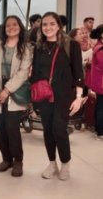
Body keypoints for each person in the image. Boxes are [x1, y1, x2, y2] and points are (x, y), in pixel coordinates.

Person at [30, 12, 84, 181]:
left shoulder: (71, 45)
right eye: (45, 24)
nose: (48, 27)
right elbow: (35, 75)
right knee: (47, 131)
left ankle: (65, 163)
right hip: (44, 95)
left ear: (59, 25)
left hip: (63, 96)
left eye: (52, 24)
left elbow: (78, 72)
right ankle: (52, 163)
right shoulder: (40, 47)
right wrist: (33, 101)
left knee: (59, 130)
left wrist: (78, 98)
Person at [0, 15, 32, 177]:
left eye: (14, 24)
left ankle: (18, 161)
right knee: (1, 128)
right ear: (3, 29)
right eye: (7, 26)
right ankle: (6, 159)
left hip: (14, 91)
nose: (11, 27)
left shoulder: (25, 48)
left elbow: (23, 72)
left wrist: (6, 91)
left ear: (20, 26)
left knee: (12, 129)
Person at [89, 24, 103, 140]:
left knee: (100, 105)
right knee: (101, 106)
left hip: (100, 82)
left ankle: (98, 129)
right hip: (102, 82)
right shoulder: (101, 48)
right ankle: (100, 131)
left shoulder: (98, 46)